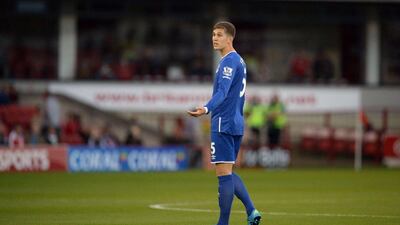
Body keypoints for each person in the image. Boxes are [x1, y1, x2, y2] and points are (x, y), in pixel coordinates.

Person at [187, 21, 261, 225]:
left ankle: (222, 222)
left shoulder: (228, 62)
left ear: (230, 38)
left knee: (223, 175)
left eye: (219, 35)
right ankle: (251, 210)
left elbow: (223, 92)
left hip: (223, 122)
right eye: (213, 34)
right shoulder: (240, 61)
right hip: (236, 122)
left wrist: (205, 108)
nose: (214, 38)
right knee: (228, 172)